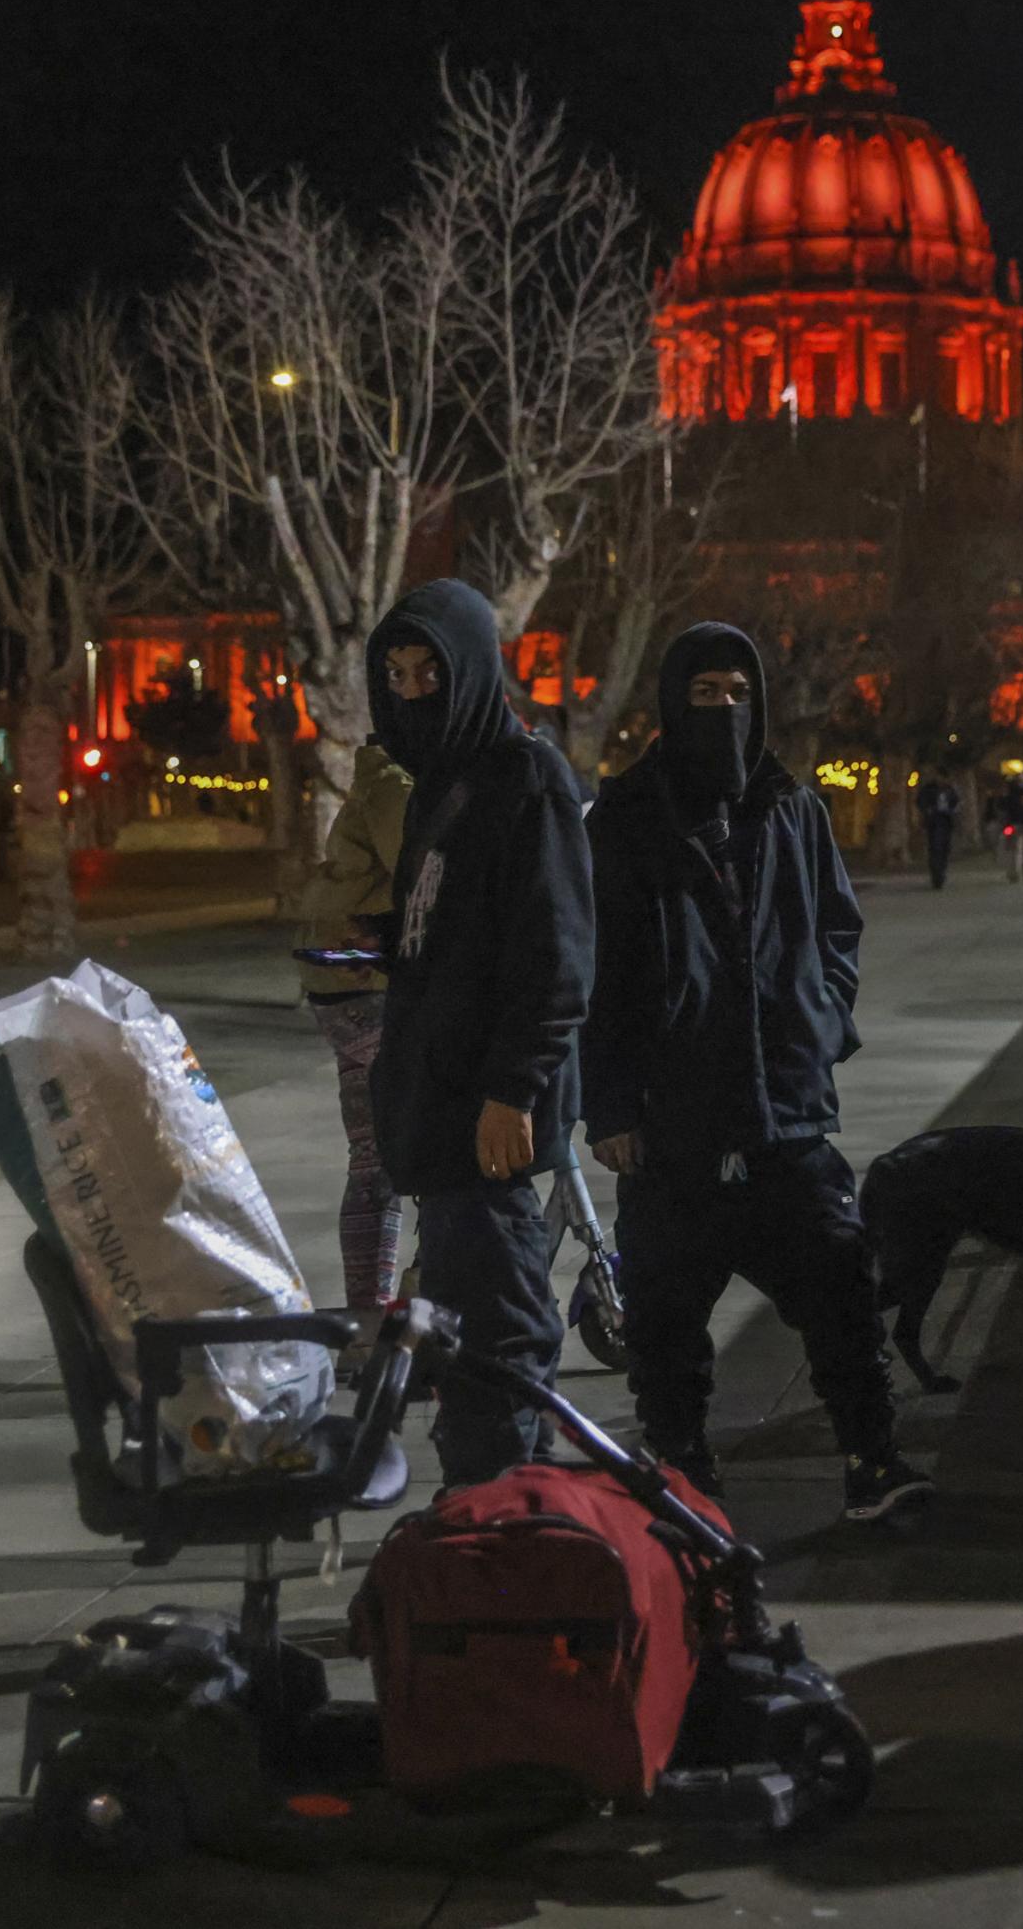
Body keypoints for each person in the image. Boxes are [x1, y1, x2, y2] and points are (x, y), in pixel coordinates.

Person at [583, 624, 930, 1521]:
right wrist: (611, 1102)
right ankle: (684, 1475)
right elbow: (598, 973)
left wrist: (822, 1018)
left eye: (740, 694)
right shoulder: (626, 818)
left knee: (842, 1290)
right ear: (672, 701)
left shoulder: (792, 808)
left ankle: (872, 1460)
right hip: (673, 1119)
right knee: (662, 1320)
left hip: (787, 1112)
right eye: (706, 695)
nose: (726, 711)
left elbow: (838, 928)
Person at [365, 577, 593, 1488]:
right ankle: (502, 1520)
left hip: (486, 1114)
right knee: (468, 1331)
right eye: (398, 674)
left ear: (472, 672)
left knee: (499, 1334)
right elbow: (456, 931)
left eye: (432, 672)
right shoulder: (442, 786)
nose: (415, 691)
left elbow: (556, 955)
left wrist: (515, 1087)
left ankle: (497, 1528)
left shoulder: (524, 777)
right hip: (441, 1109)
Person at [297, 733, 411, 1312]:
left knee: (374, 1161)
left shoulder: (385, 779)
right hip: (368, 986)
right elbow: (423, 873)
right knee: (444, 1140)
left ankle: (369, 1322)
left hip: (345, 985)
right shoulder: (397, 784)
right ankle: (424, 1300)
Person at [914, 768, 962, 891]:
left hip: (946, 820)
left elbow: (956, 802)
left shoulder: (950, 789)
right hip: (934, 821)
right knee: (935, 847)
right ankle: (936, 875)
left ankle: (941, 872)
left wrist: (954, 811)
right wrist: (927, 809)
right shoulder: (929, 789)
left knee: (945, 848)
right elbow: (920, 801)